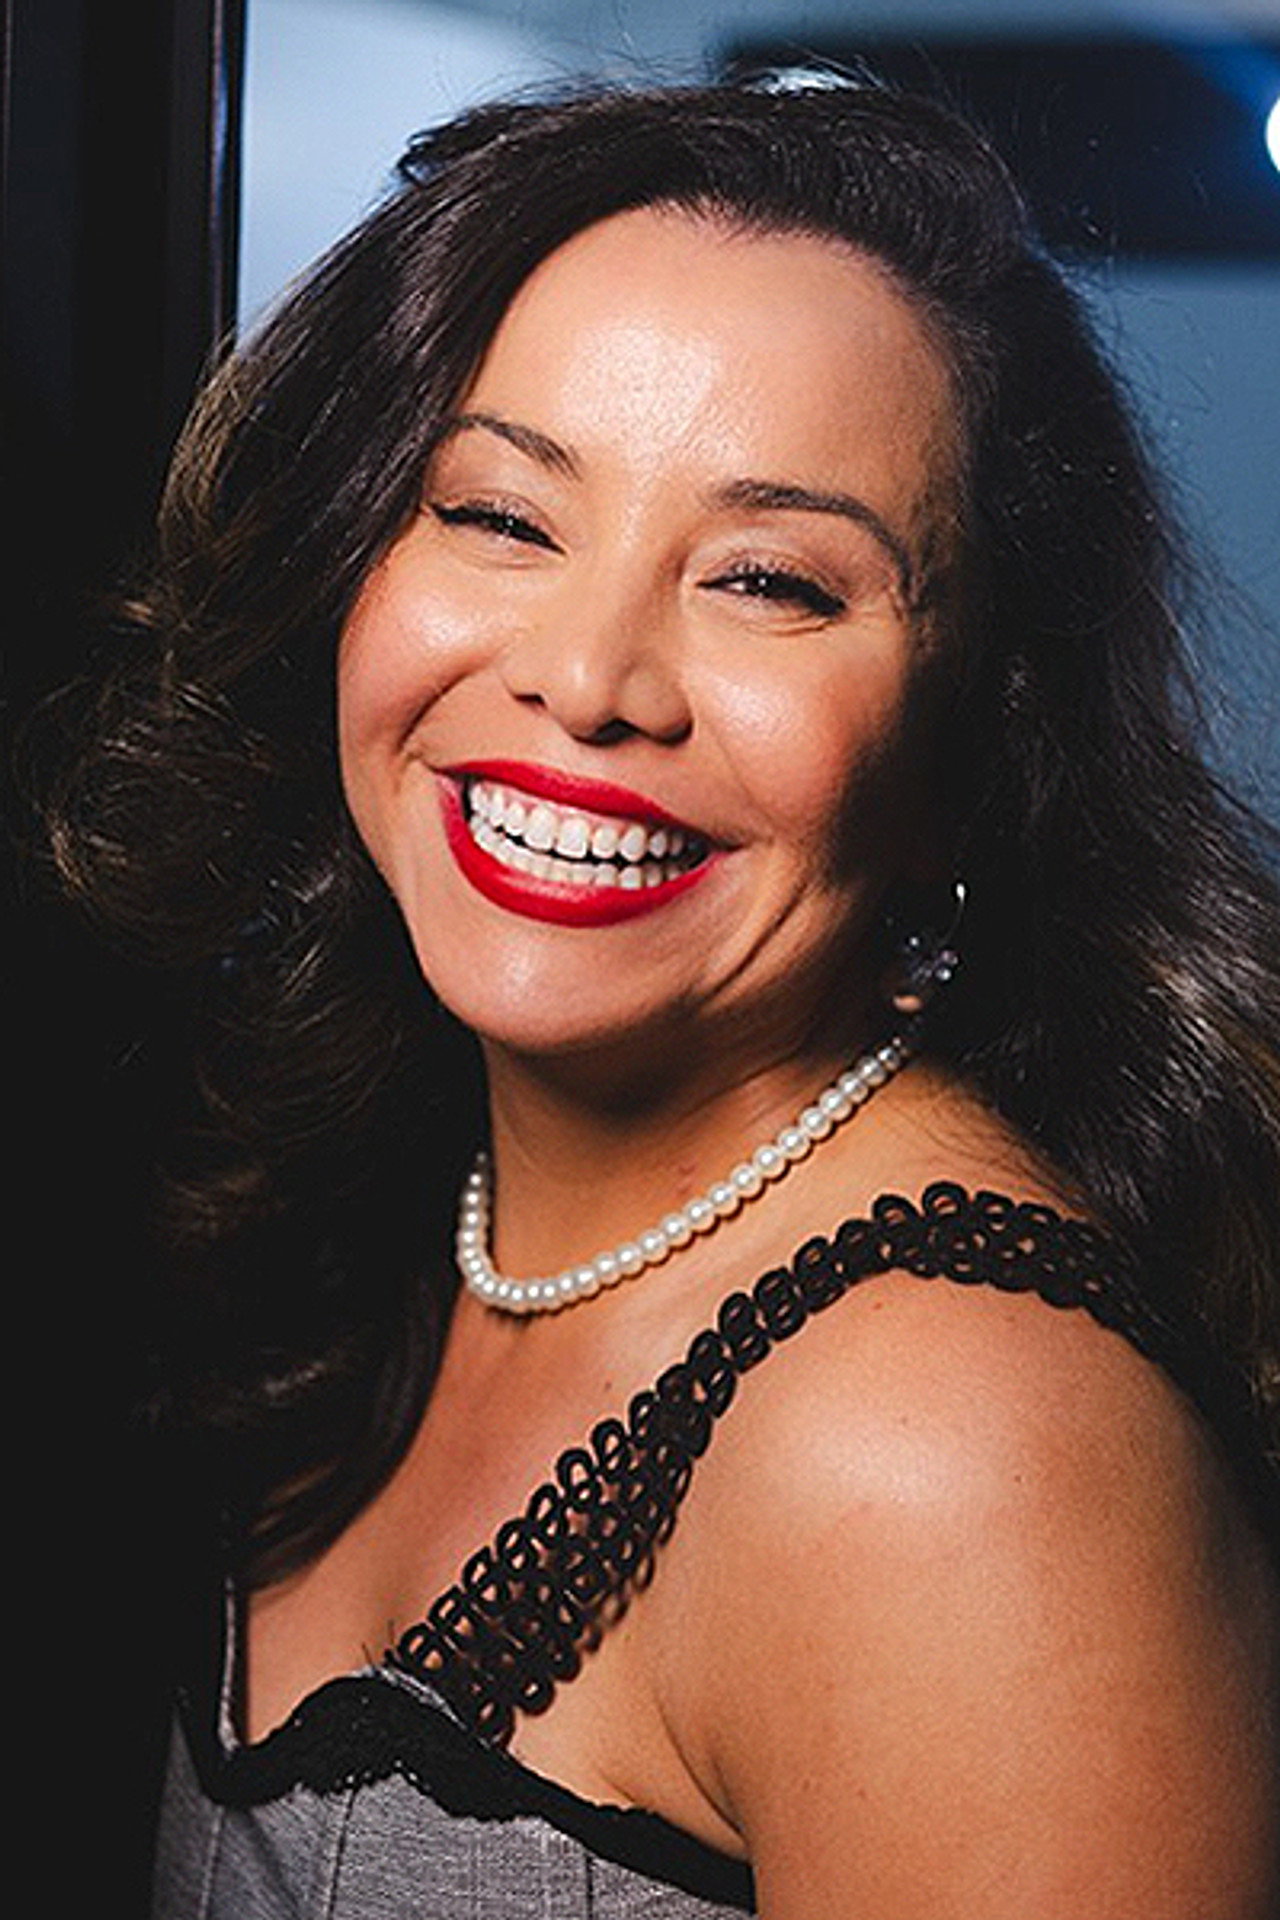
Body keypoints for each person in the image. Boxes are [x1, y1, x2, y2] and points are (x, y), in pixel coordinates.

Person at [49, 72, 1279, 1918]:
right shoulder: (384, 1198)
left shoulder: (951, 1461)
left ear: (972, 745)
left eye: (770, 580)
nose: (590, 677)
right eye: (501, 515)